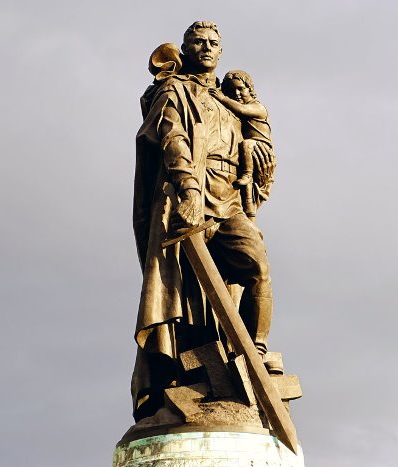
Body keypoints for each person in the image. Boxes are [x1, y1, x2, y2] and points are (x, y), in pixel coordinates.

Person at [132, 21, 277, 421]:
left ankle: (253, 352)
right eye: (198, 42)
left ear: (221, 50)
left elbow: (260, 142)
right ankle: (186, 379)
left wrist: (257, 148)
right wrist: (189, 190)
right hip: (189, 198)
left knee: (257, 269)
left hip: (229, 198)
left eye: (213, 43)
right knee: (186, 296)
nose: (207, 48)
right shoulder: (173, 90)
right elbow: (172, 138)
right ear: (186, 48)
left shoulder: (230, 99)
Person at [209, 70, 273, 218]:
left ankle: (247, 174)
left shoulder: (258, 107)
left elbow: (242, 110)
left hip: (260, 145)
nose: (236, 93)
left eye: (240, 89)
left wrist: (222, 98)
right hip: (248, 152)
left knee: (246, 145)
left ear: (249, 89)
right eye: (232, 90)